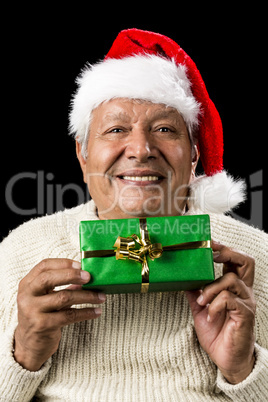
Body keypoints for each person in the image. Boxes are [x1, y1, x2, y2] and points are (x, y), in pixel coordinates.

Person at [0, 28, 267, 401]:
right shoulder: (22, 250)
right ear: (83, 154)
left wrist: (243, 369)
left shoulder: (255, 255)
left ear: (192, 156)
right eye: (116, 129)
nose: (141, 149)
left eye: (164, 129)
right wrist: (24, 353)